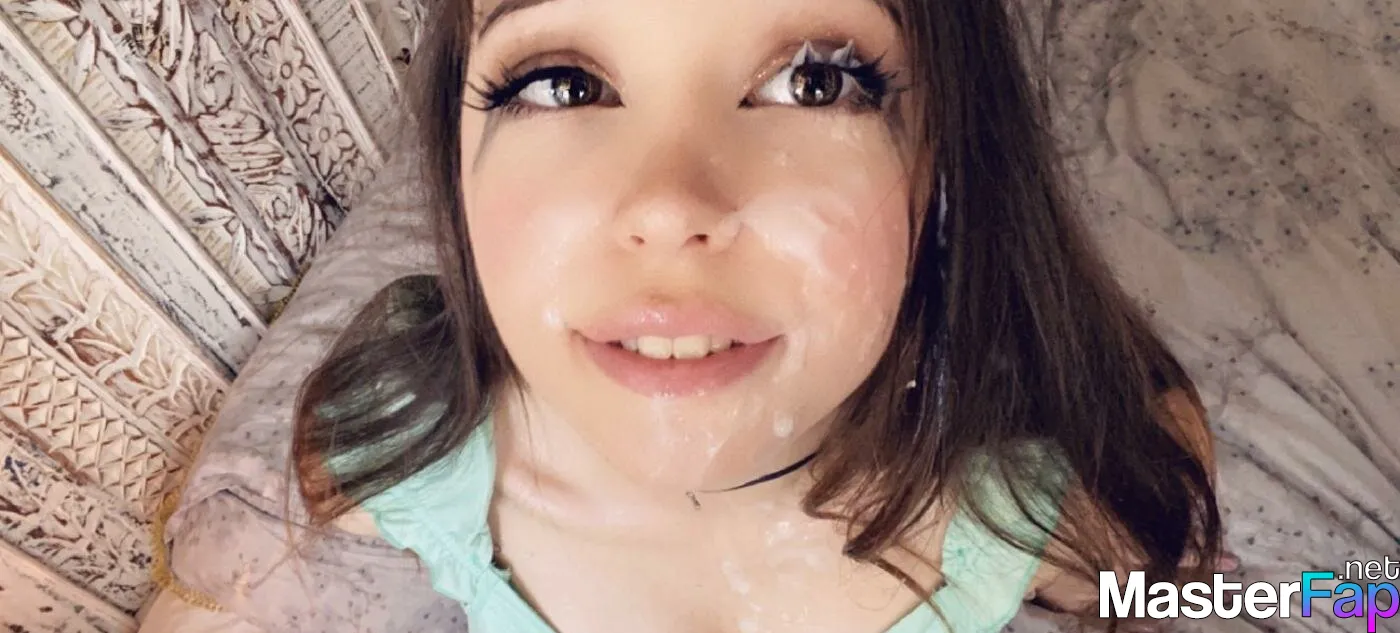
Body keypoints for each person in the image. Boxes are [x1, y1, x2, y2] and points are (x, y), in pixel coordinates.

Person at [216, 0, 1226, 631]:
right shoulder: (391, 452)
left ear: (942, 161)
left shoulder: (1071, 500)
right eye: (562, 83)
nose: (668, 206)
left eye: (814, 83)